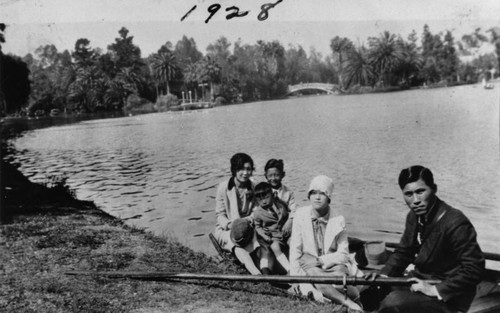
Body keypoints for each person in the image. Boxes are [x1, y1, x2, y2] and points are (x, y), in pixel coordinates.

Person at [369, 165, 485, 313]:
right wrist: (383, 275)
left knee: (393, 302)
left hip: (449, 296)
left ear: (434, 189)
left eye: (420, 191)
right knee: (370, 290)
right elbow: (404, 252)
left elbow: (474, 268)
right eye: (408, 194)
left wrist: (435, 289)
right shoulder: (413, 217)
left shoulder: (455, 221)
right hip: (419, 283)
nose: (415, 200)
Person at [290, 175, 362, 311]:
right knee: (313, 274)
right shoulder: (300, 215)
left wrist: (319, 260)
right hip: (310, 268)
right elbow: (295, 249)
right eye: (313, 193)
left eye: (322, 193)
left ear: (329, 197)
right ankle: (350, 303)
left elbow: (343, 254)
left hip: (333, 266)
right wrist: (294, 279)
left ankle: (343, 297)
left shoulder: (338, 219)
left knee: (344, 284)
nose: (317, 197)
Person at [213, 152, 261, 275]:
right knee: (235, 244)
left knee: (257, 242)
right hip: (227, 228)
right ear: (234, 170)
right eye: (241, 169)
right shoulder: (223, 187)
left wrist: (246, 222)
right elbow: (220, 214)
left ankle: (266, 268)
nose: (245, 173)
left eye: (248, 169)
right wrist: (230, 225)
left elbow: (257, 210)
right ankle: (257, 274)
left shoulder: (254, 186)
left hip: (249, 224)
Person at [253, 181, 290, 273]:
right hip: (272, 237)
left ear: (273, 195)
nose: (264, 201)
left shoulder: (280, 205)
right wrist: (265, 236)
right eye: (260, 200)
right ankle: (289, 269)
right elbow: (258, 227)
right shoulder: (258, 213)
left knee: (294, 243)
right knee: (275, 248)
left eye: (266, 197)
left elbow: (286, 216)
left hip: (285, 234)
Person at [264, 159, 297, 241]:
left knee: (293, 241)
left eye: (276, 175)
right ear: (265, 176)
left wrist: (290, 221)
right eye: (270, 175)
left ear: (283, 175)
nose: (273, 178)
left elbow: (294, 209)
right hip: (268, 227)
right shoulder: (262, 191)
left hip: (284, 225)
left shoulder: (288, 192)